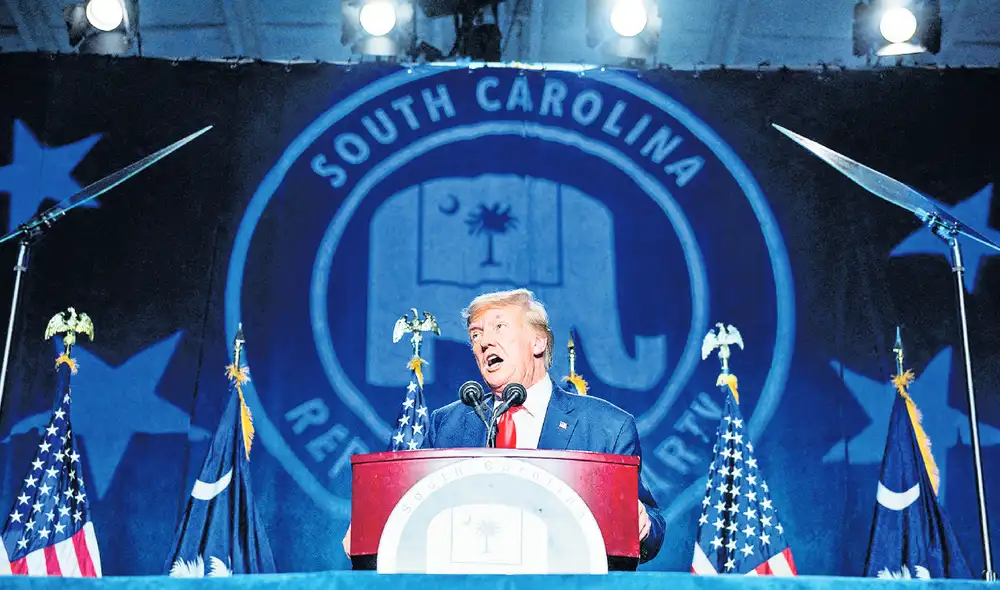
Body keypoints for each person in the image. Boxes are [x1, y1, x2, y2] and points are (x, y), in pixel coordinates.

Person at [343, 288, 666, 565]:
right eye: (476, 335)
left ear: (538, 342)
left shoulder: (607, 427)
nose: (484, 342)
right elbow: (417, 508)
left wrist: (640, 524)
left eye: (499, 327)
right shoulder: (446, 424)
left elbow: (651, 528)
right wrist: (376, 524)